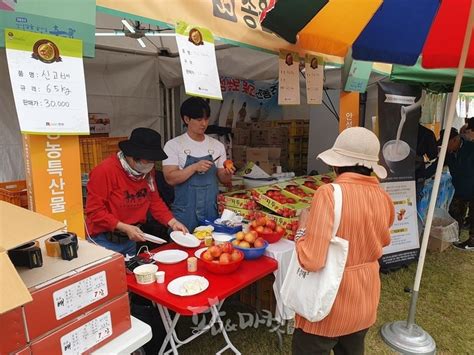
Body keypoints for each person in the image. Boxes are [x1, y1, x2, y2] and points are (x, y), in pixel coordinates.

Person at [292, 127, 394, 355]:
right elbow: (383, 240)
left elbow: (312, 260)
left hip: (330, 298)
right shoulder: (384, 197)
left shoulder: (328, 193)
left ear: (337, 164)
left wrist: (302, 228)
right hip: (365, 295)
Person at [85, 127, 188, 257]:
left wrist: (172, 222)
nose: (151, 164)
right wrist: (123, 227)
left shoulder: (147, 172)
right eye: (148, 160)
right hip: (104, 240)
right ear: (133, 156)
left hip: (130, 238)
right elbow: (95, 211)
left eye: (153, 160)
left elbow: (154, 201)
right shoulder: (105, 171)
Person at [163, 97, 235, 231]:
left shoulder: (217, 146)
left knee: (210, 248)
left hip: (210, 210)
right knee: (182, 248)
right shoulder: (173, 145)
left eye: (206, 119)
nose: (204, 124)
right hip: (185, 211)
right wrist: (194, 167)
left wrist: (227, 172)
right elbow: (170, 178)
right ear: (186, 119)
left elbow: (224, 179)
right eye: (199, 119)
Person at [444, 120, 474, 251]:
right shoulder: (448, 153)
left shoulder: (471, 148)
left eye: (447, 143)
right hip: (460, 189)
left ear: (455, 140)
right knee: (455, 211)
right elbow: (436, 166)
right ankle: (454, 236)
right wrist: (420, 175)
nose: (446, 147)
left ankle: (472, 241)